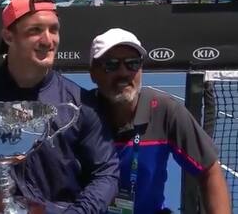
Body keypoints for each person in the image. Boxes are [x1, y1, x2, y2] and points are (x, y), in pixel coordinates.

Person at [0, 0, 119, 214]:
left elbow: (106, 172)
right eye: (35, 30)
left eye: (54, 29)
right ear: (9, 36)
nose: (48, 40)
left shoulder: (80, 103)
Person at [88, 28, 231, 214]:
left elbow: (209, 169)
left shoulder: (165, 110)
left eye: (132, 63)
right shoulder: (79, 115)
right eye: (111, 65)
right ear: (93, 73)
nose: (123, 72)